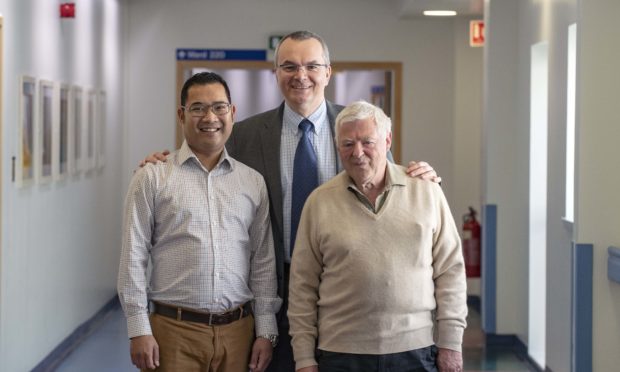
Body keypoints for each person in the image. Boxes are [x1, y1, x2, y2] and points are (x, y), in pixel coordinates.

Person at [141, 31, 442, 371]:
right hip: (272, 294)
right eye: (289, 66)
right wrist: (160, 161)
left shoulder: (354, 128)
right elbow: (202, 165)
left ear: (328, 72)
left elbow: (386, 183)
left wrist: (424, 175)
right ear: (276, 74)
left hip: (345, 291)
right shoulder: (244, 135)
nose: (301, 75)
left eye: (312, 65)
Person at [118, 72, 281, 372]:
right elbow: (133, 257)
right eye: (198, 108)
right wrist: (138, 328)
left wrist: (266, 331)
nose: (210, 117)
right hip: (174, 332)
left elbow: (263, 261)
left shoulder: (252, 182)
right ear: (182, 114)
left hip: (238, 333)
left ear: (232, 113)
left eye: (219, 107)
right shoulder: (152, 177)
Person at [288, 101, 467, 372]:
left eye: (367, 142)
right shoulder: (319, 203)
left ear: (387, 140)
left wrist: (451, 343)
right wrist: (304, 358)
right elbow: (302, 286)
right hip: (340, 354)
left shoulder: (427, 192)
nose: (358, 152)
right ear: (338, 147)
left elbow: (451, 271)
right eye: (348, 144)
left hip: (415, 352)